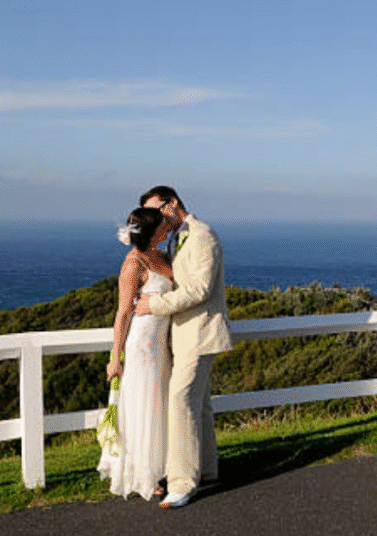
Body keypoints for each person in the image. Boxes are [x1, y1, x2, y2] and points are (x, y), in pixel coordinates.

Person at [135, 186, 234, 509]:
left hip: (200, 333)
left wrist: (154, 305)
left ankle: (182, 483)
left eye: (158, 211)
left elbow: (200, 290)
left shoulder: (202, 235)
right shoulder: (179, 237)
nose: (157, 219)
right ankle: (206, 469)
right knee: (199, 404)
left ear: (173, 203)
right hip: (184, 334)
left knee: (180, 402)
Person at [97, 207, 174, 500]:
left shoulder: (164, 256)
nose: (168, 230)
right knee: (144, 404)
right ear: (152, 232)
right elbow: (123, 312)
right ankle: (145, 474)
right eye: (163, 227)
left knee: (162, 403)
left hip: (162, 343)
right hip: (142, 344)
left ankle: (164, 467)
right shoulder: (133, 263)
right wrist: (115, 357)